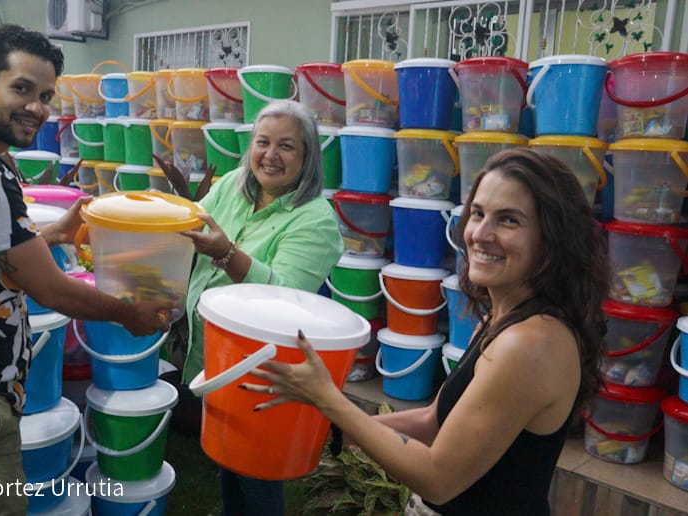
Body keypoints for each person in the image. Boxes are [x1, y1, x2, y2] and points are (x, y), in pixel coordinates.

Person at [0, 24, 174, 515]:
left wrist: (54, 235)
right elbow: (51, 290)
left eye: (45, 96)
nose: (37, 108)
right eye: (22, 89)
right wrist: (127, 314)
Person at [244, 148, 610, 515]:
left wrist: (328, 399)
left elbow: (438, 477)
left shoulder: (531, 343)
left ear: (553, 239)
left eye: (509, 220)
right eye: (478, 213)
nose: (481, 234)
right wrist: (334, 430)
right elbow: (434, 420)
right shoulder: (503, 320)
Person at [176, 99, 344, 516]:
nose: (271, 155)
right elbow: (193, 226)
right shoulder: (235, 185)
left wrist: (227, 254)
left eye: (286, 146)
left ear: (307, 158)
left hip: (263, 366)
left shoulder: (316, 220)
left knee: (256, 467)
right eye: (263, 142)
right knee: (228, 456)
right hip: (217, 354)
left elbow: (285, 298)